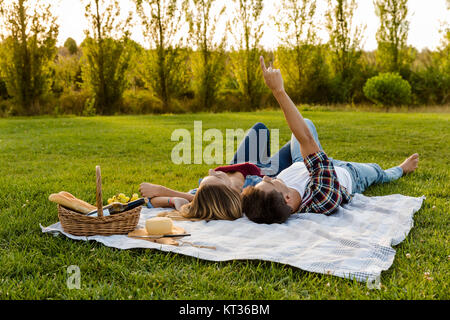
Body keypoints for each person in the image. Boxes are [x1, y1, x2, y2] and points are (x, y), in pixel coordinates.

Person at [240, 56, 419, 224]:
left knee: (306, 123)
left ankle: (318, 158)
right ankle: (403, 168)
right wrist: (278, 91)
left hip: (302, 162)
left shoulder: (266, 201)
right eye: (269, 182)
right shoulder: (321, 198)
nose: (266, 177)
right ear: (287, 199)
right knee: (379, 173)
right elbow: (306, 139)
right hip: (349, 173)